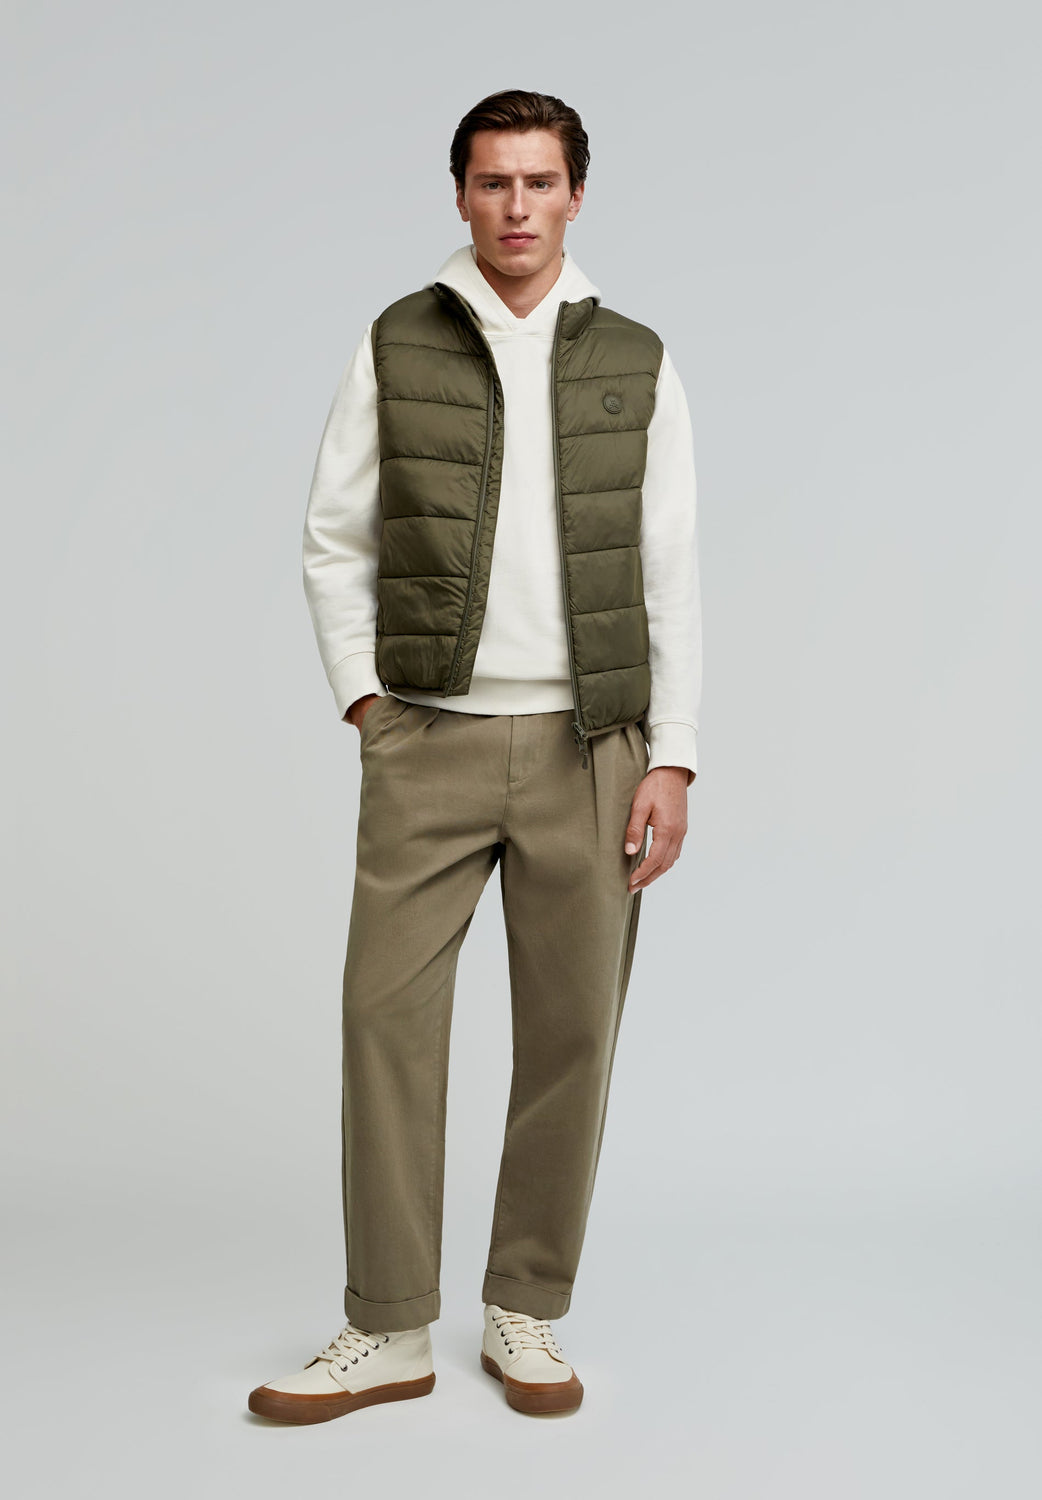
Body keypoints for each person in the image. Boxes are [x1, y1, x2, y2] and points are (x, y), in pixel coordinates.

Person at [248, 87, 701, 1424]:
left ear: (575, 196)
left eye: (539, 182)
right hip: (429, 737)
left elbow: (670, 570)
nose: (516, 207)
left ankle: (525, 1310)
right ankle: (387, 1325)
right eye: (493, 181)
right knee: (382, 1022)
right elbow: (334, 534)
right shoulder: (398, 339)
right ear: (459, 194)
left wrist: (672, 755)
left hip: (591, 745)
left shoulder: (635, 356)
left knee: (572, 1034)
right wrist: (366, 702)